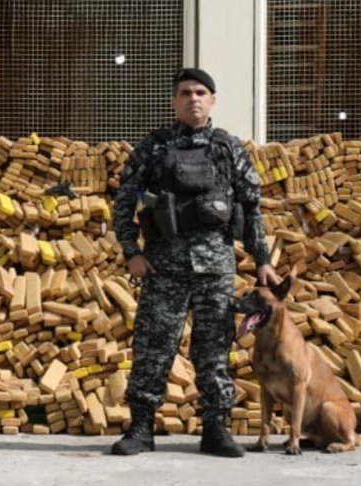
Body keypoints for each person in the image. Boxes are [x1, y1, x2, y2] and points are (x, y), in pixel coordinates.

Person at [110, 68, 280, 457]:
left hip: (216, 268)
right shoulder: (153, 147)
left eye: (201, 92)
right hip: (163, 266)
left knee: (214, 349)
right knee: (153, 348)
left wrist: (263, 260)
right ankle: (140, 429)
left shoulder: (228, 148)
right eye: (185, 93)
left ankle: (216, 430)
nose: (193, 99)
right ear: (174, 101)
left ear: (213, 100)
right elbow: (124, 202)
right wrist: (131, 252)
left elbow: (251, 207)